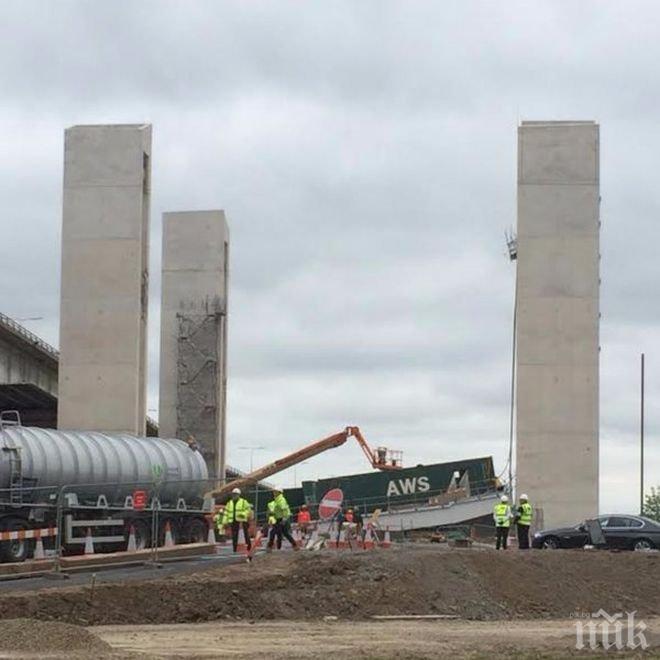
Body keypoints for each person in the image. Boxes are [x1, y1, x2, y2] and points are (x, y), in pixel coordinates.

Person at [222, 487, 252, 553]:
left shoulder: (244, 502)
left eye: (236, 494)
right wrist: (224, 522)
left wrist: (243, 514)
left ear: (239, 495)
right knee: (235, 537)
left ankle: (249, 548)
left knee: (245, 535)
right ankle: (235, 550)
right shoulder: (229, 503)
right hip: (233, 522)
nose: (234, 495)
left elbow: (248, 510)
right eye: (233, 494)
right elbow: (226, 513)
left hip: (242, 522)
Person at [267, 485, 298, 551]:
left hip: (281, 519)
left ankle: (270, 547)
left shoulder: (281, 500)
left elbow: (284, 509)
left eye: (275, 492)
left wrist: (284, 519)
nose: (273, 493)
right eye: (273, 492)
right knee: (284, 533)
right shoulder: (277, 500)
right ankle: (294, 545)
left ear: (279, 492)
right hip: (279, 519)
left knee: (273, 532)